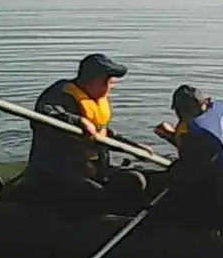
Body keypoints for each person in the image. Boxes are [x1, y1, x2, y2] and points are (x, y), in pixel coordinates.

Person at [22, 53, 153, 217]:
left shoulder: (95, 99)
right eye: (111, 83)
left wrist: (132, 147)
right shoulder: (59, 94)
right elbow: (45, 115)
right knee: (96, 195)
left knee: (133, 180)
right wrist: (78, 120)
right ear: (99, 80)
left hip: (93, 170)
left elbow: (103, 136)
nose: (112, 87)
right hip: (57, 174)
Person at [150, 84, 223, 231]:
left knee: (174, 198)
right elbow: (216, 149)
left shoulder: (196, 136)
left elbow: (187, 173)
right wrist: (173, 137)